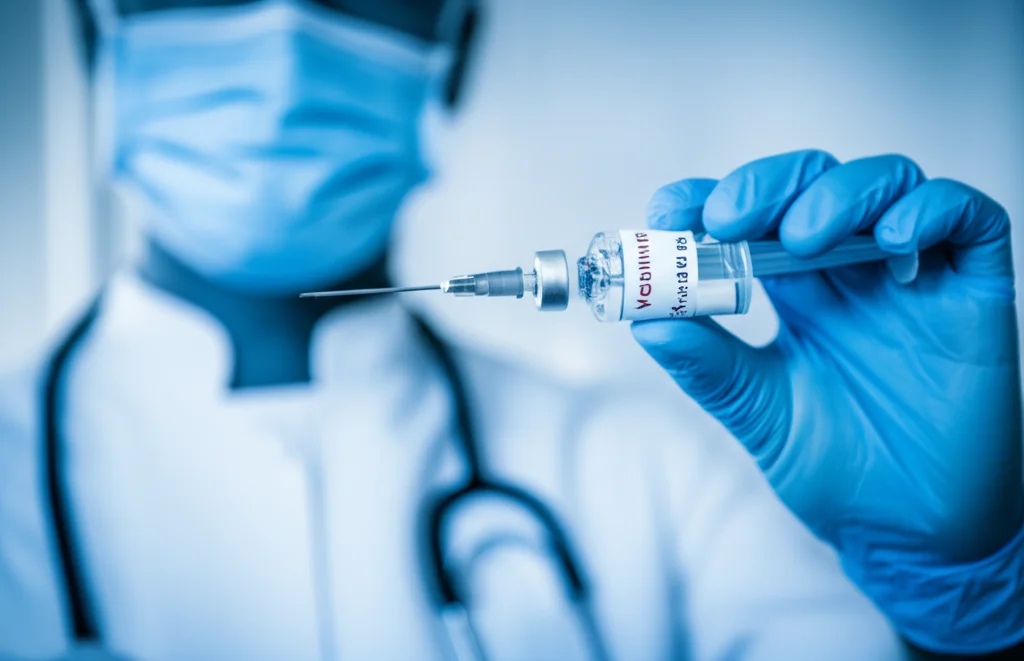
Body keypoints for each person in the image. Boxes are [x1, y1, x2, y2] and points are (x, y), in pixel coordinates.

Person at [0, 2, 1018, 661]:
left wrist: (957, 609)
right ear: (94, 29)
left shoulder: (663, 471)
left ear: (452, 42)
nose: (278, 27)